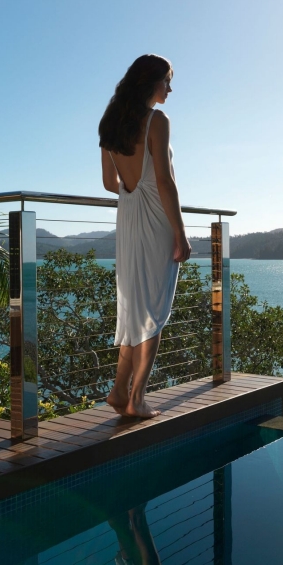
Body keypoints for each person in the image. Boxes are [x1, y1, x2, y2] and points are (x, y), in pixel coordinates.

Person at [99, 54, 191, 419]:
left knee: (136, 308)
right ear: (150, 81)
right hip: (156, 219)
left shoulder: (110, 123)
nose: (170, 88)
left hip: (129, 217)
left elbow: (109, 183)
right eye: (167, 80)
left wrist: (134, 186)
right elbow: (165, 181)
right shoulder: (157, 120)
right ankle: (136, 398)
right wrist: (180, 234)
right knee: (153, 311)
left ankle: (118, 391)